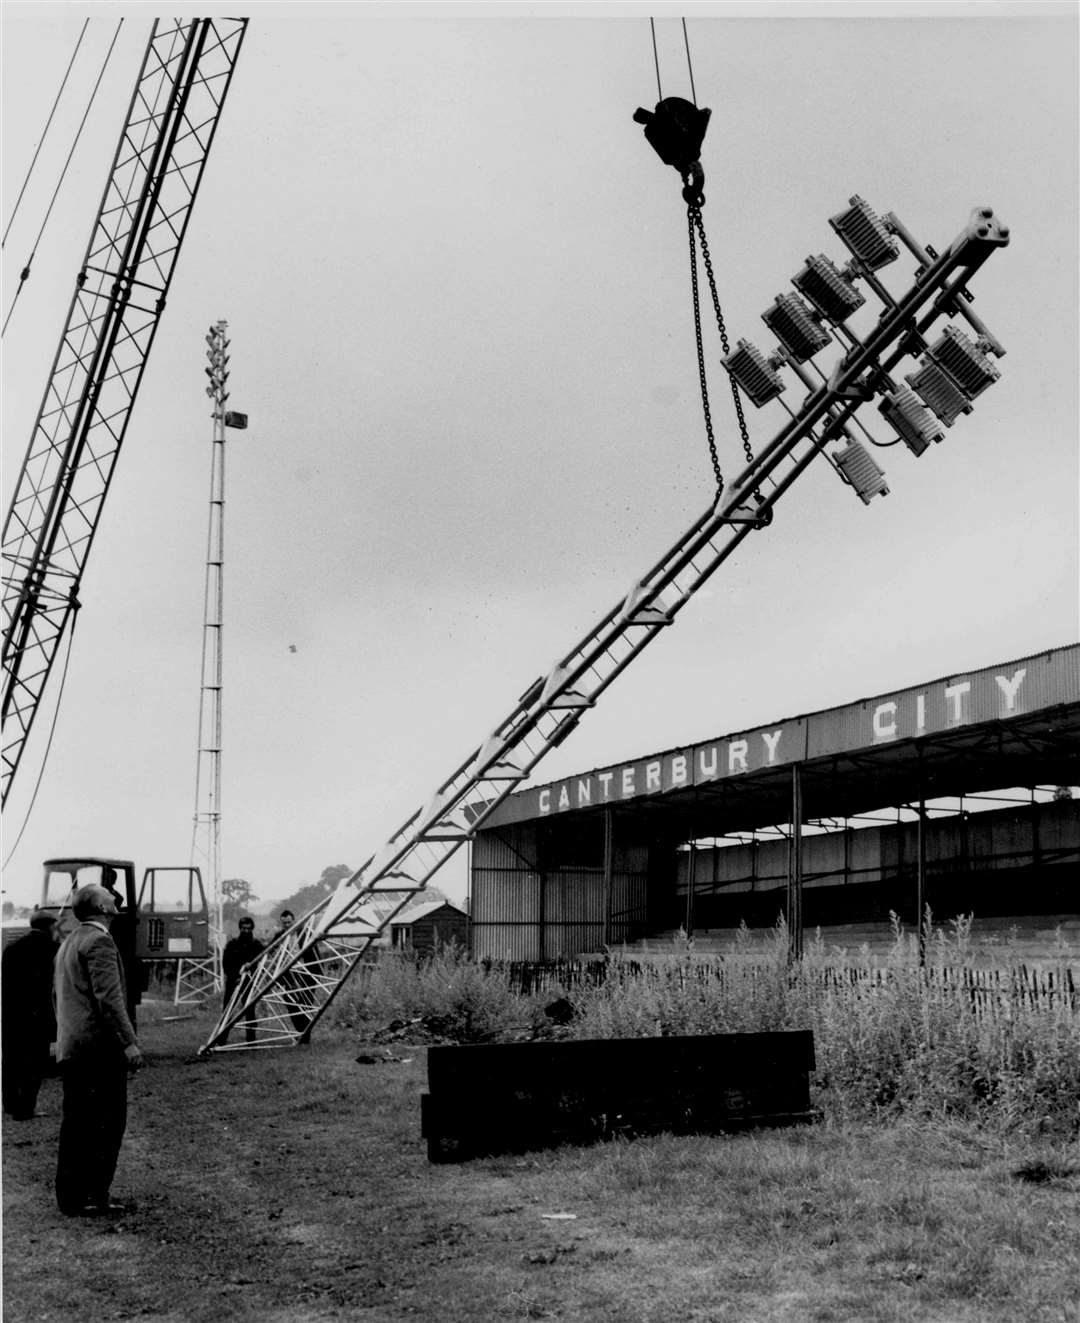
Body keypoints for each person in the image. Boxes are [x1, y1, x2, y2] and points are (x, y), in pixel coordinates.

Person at [53, 884, 143, 1217]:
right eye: (108, 895)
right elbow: (110, 1000)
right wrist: (129, 1042)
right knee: (106, 1123)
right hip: (98, 1052)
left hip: (74, 1049)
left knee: (76, 1123)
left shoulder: (67, 944)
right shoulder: (100, 942)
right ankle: (94, 1195)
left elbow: (58, 999)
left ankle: (71, 1198)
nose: (115, 898)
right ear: (101, 908)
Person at [2, 912, 60, 1120]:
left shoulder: (11, 949)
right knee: (34, 1063)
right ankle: (25, 1108)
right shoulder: (54, 950)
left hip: (10, 1015)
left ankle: (9, 1104)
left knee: (10, 1060)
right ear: (50, 928)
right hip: (38, 1016)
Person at [221, 915, 264, 1043]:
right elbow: (226, 964)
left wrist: (250, 970)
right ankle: (222, 1038)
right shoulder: (232, 944)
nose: (246, 931)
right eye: (243, 928)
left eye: (248, 928)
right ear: (240, 928)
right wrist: (236, 977)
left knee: (249, 1010)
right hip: (233, 981)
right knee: (227, 1009)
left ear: (252, 929)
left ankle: (251, 1040)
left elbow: (260, 962)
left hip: (249, 982)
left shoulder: (256, 945)